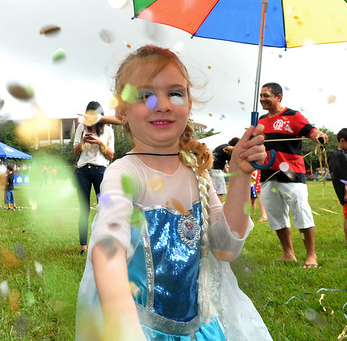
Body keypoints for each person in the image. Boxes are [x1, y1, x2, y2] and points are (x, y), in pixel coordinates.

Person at [76, 45, 272, 341]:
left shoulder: (196, 173)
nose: (163, 105)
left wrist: (241, 176)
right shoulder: (125, 173)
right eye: (145, 95)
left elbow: (225, 249)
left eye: (175, 93)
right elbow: (107, 252)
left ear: (189, 104)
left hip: (201, 331)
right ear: (123, 111)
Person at [258, 82, 328, 268]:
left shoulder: (293, 116)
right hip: (267, 176)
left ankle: (311, 256)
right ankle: (288, 253)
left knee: (302, 214)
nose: (262, 99)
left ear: (279, 97)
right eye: (261, 96)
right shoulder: (260, 121)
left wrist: (320, 137)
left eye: (267, 95)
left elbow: (312, 132)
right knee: (275, 215)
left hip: (292, 176)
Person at [73, 101, 115, 256]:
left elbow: (110, 155)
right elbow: (76, 151)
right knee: (83, 209)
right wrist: (83, 141)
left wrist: (99, 142)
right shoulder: (80, 128)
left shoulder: (108, 130)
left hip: (101, 171)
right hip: (83, 170)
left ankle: (103, 243)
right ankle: (84, 246)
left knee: (104, 208)